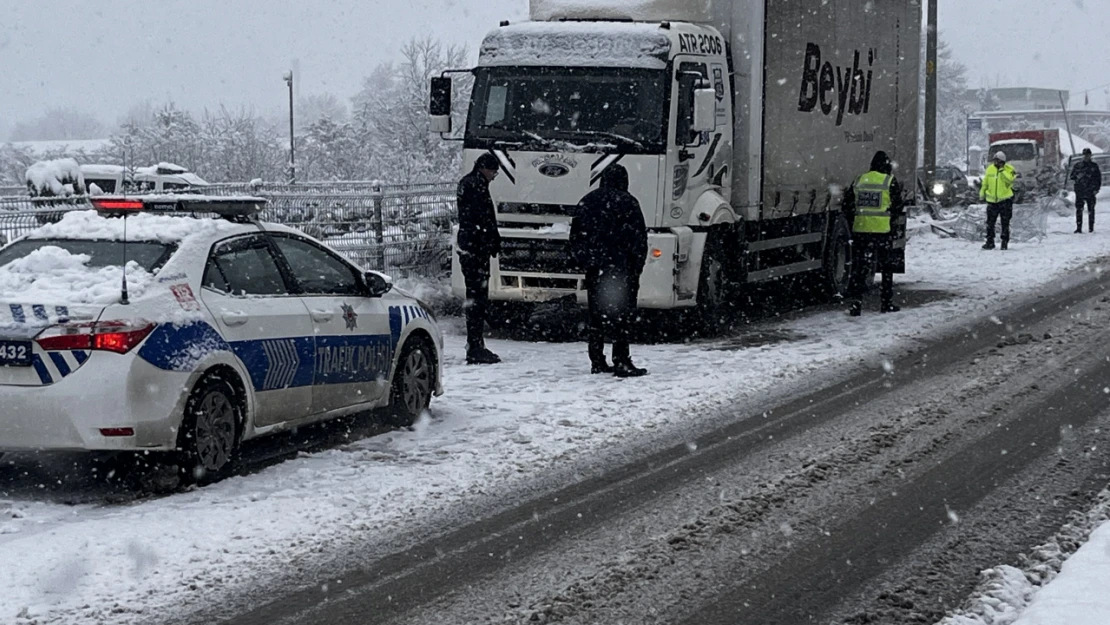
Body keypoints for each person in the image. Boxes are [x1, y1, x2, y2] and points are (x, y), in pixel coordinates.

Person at [569, 164, 649, 378]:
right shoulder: (629, 202)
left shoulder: (588, 200)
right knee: (622, 315)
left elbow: (576, 236)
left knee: (596, 314)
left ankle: (596, 359)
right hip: (622, 268)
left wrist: (584, 261)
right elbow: (638, 238)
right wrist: (637, 266)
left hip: (596, 268)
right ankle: (621, 359)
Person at [844, 150, 905, 316]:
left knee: (860, 268)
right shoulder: (889, 181)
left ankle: (856, 304)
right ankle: (886, 303)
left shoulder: (859, 180)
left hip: (861, 230)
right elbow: (898, 206)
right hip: (882, 231)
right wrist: (891, 221)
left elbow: (848, 204)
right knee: (886, 268)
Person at [456, 153, 503, 365]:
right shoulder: (476, 186)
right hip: (475, 248)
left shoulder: (469, 183)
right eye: (493, 171)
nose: (495, 175)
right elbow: (482, 216)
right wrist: (490, 239)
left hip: (471, 246)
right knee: (477, 297)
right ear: (484, 168)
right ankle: (475, 345)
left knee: (475, 296)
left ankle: (475, 343)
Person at [979, 151, 1016, 250]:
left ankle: (1004, 242)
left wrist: (1002, 171)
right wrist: (982, 193)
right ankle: (990, 242)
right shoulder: (990, 169)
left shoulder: (1010, 169)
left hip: (1005, 200)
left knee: (1005, 222)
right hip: (992, 201)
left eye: (998, 161)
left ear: (1003, 161)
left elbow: (1010, 180)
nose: (996, 163)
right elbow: (985, 183)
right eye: (995, 161)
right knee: (990, 223)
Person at [1070, 148, 1102, 233]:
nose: (1086, 156)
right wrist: (1077, 177)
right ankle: (1079, 227)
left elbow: (1098, 178)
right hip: (1080, 190)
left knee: (1091, 209)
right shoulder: (1078, 166)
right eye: (1085, 155)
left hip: (1090, 190)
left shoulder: (1094, 166)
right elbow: (1072, 176)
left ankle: (1091, 228)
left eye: (1088, 155)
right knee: (1079, 209)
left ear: (1090, 155)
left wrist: (1096, 189)